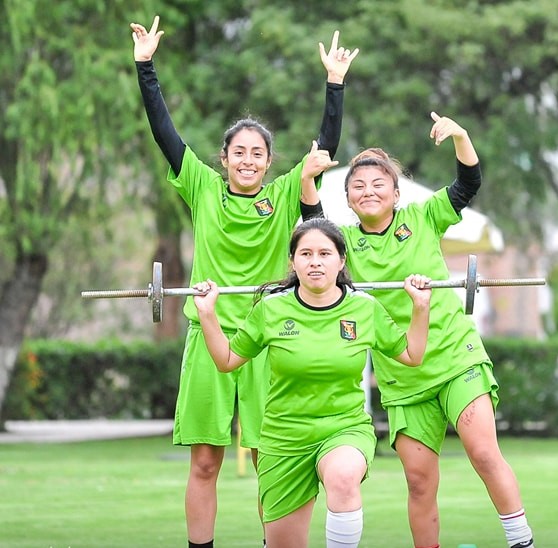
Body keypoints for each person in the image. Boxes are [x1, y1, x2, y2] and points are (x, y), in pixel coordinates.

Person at [129, 15, 358, 547]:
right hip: (207, 333)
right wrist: (146, 67)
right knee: (205, 463)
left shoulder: (283, 196)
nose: (248, 160)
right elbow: (165, 131)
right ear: (225, 158)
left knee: (268, 461)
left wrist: (334, 85)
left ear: (269, 161)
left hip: (266, 339)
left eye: (258, 153)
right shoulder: (203, 188)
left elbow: (322, 150)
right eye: (239, 152)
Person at [313, 112, 535, 548]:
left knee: (484, 454)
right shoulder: (342, 245)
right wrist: (308, 176)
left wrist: (461, 136)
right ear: (348, 199)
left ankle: (521, 541)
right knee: (419, 482)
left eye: (378, 184)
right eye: (357, 186)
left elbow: (467, 183)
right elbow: (309, 221)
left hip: (455, 359)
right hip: (402, 376)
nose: (368, 190)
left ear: (395, 193)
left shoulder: (423, 216)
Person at [192, 217, 432, 548]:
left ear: (341, 260)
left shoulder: (364, 308)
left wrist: (421, 307)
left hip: (343, 427)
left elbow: (412, 354)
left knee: (344, 476)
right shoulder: (271, 309)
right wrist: (207, 314)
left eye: (324, 253)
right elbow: (227, 360)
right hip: (284, 438)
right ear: (292, 261)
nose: (315, 261)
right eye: (305, 254)